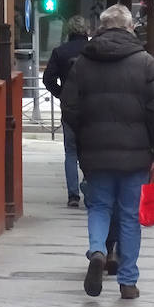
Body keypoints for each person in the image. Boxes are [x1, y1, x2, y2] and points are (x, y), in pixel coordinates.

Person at [61, 3, 154, 300]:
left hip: (96, 154)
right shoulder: (146, 63)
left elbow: (69, 108)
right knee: (128, 216)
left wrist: (85, 133)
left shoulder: (83, 63)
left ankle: (97, 250)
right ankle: (128, 281)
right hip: (136, 156)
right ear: (129, 27)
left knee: (98, 207)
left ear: (101, 28)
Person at [42, 15, 92, 207]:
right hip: (92, 109)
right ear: (86, 31)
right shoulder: (93, 51)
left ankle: (73, 195)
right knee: (89, 150)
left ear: (69, 31)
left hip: (70, 109)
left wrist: (61, 94)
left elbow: (48, 79)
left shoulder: (60, 52)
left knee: (70, 152)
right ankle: (89, 188)